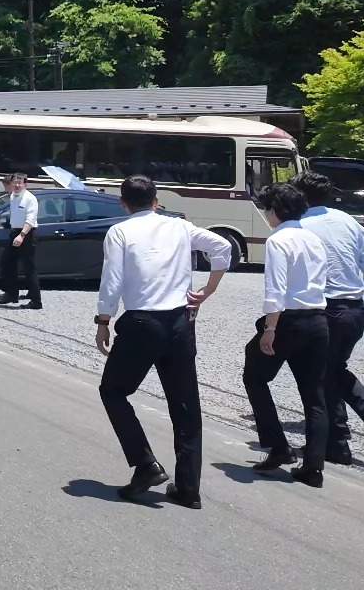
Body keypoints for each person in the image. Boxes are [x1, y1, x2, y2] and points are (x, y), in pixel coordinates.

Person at [95, 175, 232, 507]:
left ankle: (145, 465)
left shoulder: (120, 231)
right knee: (185, 405)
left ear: (123, 203)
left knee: (113, 392)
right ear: (156, 200)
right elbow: (222, 246)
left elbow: (112, 279)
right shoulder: (179, 227)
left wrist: (103, 320)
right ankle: (189, 488)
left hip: (141, 323)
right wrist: (208, 290)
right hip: (180, 322)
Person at [293, 171, 364, 462]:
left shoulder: (299, 225)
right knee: (332, 369)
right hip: (354, 307)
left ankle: (353, 432)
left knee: (323, 373)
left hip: (324, 309)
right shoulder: (346, 220)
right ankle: (347, 435)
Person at [245, 182, 332, 488]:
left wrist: (270, 328)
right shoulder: (315, 238)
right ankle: (314, 468)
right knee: (315, 396)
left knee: (255, 377)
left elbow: (276, 289)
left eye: (266, 208)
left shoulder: (279, 240)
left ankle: (279, 447)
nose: (265, 214)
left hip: (288, 321)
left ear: (275, 210)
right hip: (318, 320)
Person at [0, 173, 42, 308]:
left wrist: (22, 235)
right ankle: (11, 294)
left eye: (19, 183)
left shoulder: (29, 199)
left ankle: (36, 301)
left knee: (28, 268)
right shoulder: (12, 197)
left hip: (26, 234)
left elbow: (30, 220)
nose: (16, 185)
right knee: (6, 262)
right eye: (14, 182)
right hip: (14, 232)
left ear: (25, 184)